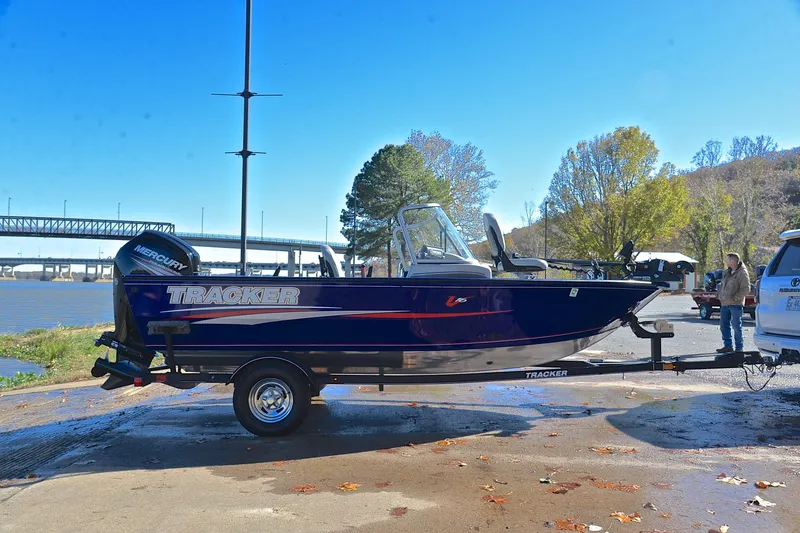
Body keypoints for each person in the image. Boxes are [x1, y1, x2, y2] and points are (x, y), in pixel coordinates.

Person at [716, 252, 750, 353]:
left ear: (734, 261)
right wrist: (719, 295)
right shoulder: (727, 272)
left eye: (728, 260)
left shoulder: (742, 273)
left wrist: (735, 298)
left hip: (736, 304)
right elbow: (723, 285)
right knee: (723, 325)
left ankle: (739, 347)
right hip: (725, 303)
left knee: (736, 326)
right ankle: (728, 346)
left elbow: (746, 289)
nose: (727, 262)